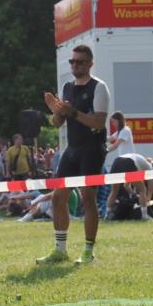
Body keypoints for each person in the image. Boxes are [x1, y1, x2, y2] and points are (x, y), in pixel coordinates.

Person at [39, 44, 110, 264]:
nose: (75, 65)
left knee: (88, 198)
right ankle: (60, 249)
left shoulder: (99, 87)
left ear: (90, 63)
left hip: (92, 149)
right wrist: (57, 113)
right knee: (58, 197)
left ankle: (88, 251)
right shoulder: (67, 87)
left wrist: (72, 112)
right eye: (72, 61)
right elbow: (59, 123)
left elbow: (99, 122)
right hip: (72, 149)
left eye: (79, 62)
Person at [106, 153, 153, 221]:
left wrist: (135, 194)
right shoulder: (150, 167)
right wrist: (147, 200)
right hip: (129, 162)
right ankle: (144, 216)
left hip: (117, 161)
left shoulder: (140, 163)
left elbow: (126, 186)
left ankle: (107, 215)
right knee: (143, 190)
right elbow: (150, 189)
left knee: (114, 191)